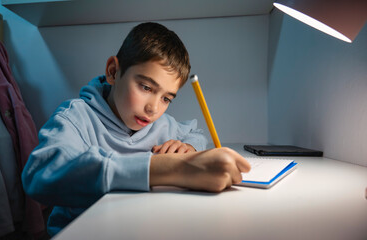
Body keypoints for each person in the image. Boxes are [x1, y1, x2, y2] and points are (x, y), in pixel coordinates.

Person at [22, 22, 251, 236]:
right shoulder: (76, 118)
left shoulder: (161, 124)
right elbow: (39, 175)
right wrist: (164, 168)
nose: (153, 108)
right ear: (113, 72)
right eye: (145, 87)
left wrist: (189, 146)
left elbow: (196, 134)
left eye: (166, 99)